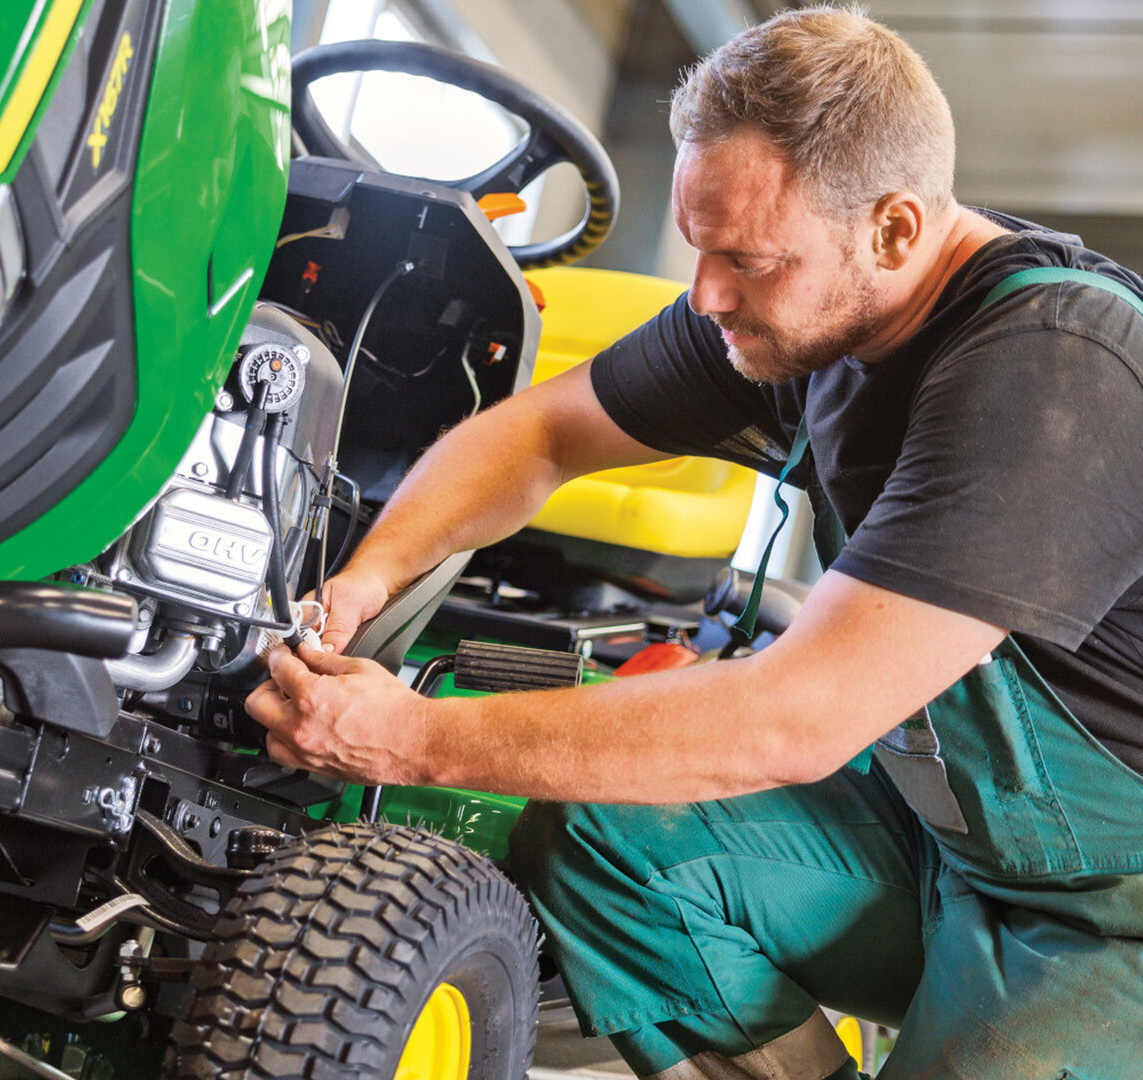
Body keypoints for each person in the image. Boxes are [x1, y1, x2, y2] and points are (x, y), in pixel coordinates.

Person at [245, 8, 1143, 1079]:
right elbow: (537, 434)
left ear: (897, 231)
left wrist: (405, 735)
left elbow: (797, 720)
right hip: (952, 839)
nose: (708, 294)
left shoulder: (1057, 369)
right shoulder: (805, 308)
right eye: (701, 246)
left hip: (1117, 909)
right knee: (606, 841)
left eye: (747, 260)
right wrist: (360, 582)